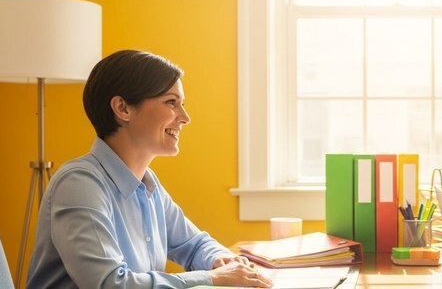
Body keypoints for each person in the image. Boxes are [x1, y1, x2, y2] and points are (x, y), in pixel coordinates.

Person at [26, 50, 272, 288]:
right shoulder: (79, 184)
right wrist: (212, 278)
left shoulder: (147, 184)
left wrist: (221, 260)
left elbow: (194, 243)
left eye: (182, 104)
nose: (185, 117)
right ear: (123, 108)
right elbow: (110, 284)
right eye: (171, 102)